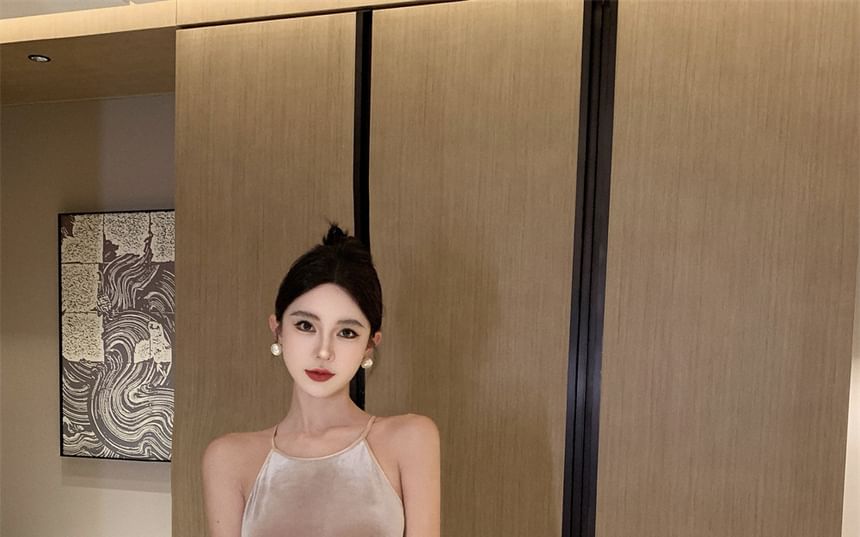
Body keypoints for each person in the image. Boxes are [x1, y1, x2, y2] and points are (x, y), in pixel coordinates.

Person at [202, 224, 441, 537]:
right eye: (306, 325)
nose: (324, 351)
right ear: (277, 330)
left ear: (369, 345)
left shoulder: (410, 439)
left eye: (347, 332)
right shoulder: (228, 459)